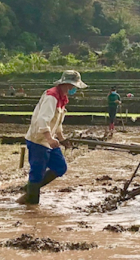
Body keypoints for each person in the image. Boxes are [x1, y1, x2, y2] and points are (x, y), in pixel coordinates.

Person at [16, 70, 87, 205]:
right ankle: (32, 206)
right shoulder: (52, 97)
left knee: (60, 167)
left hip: (49, 141)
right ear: (65, 84)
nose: (74, 89)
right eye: (72, 86)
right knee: (37, 173)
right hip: (39, 140)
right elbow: (42, 120)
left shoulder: (62, 99)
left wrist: (62, 139)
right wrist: (49, 138)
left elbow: (57, 123)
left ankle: (30, 189)